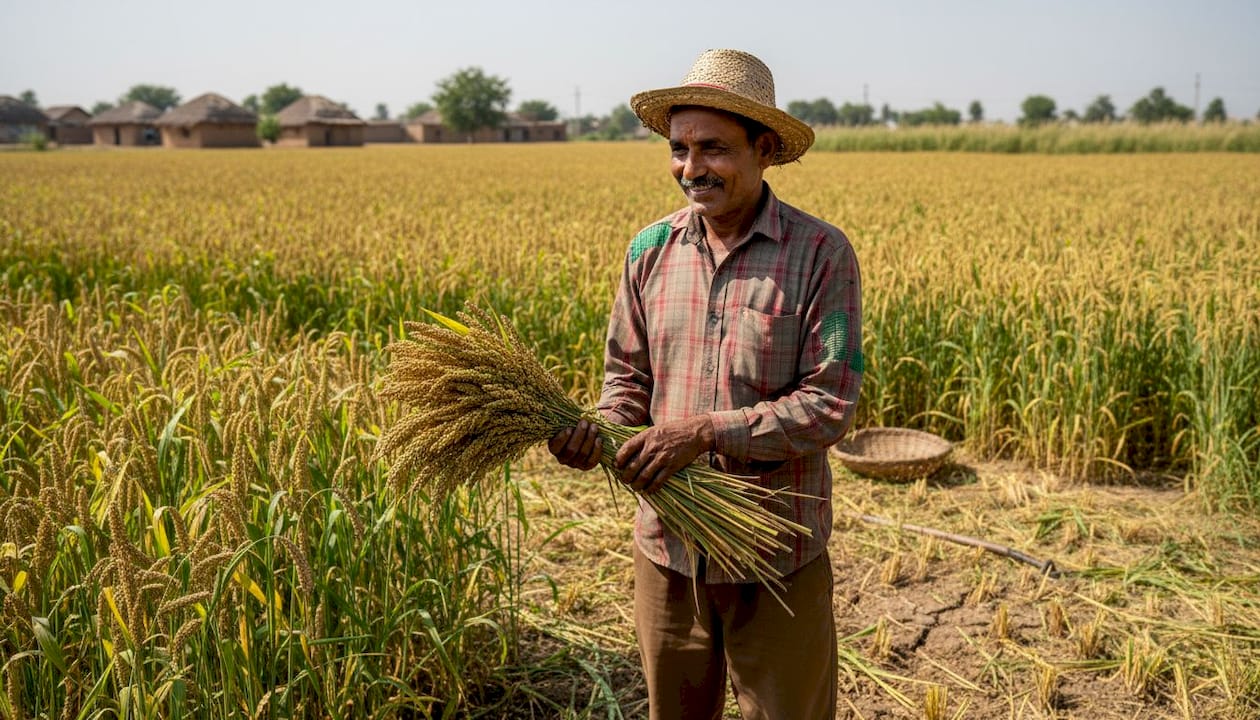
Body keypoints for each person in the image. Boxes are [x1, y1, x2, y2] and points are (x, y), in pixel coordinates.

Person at [549, 48, 863, 720]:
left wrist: (705, 433)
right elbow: (626, 380)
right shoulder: (648, 251)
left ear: (766, 148)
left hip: (776, 555)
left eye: (713, 149)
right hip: (669, 554)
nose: (691, 169)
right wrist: (600, 434)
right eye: (679, 148)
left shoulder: (819, 254)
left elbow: (830, 404)